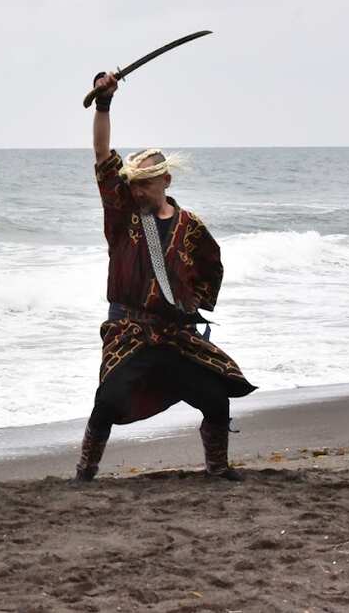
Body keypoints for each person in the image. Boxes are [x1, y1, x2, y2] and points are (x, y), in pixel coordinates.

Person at [76, 71, 256, 482]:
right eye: (133, 183)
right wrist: (104, 104)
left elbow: (212, 265)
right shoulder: (122, 218)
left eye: (145, 183)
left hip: (174, 335)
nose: (137, 190)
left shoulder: (190, 226)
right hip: (130, 332)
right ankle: (85, 473)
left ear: (165, 181)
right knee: (108, 400)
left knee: (215, 396)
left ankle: (218, 468)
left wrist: (194, 302)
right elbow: (103, 157)